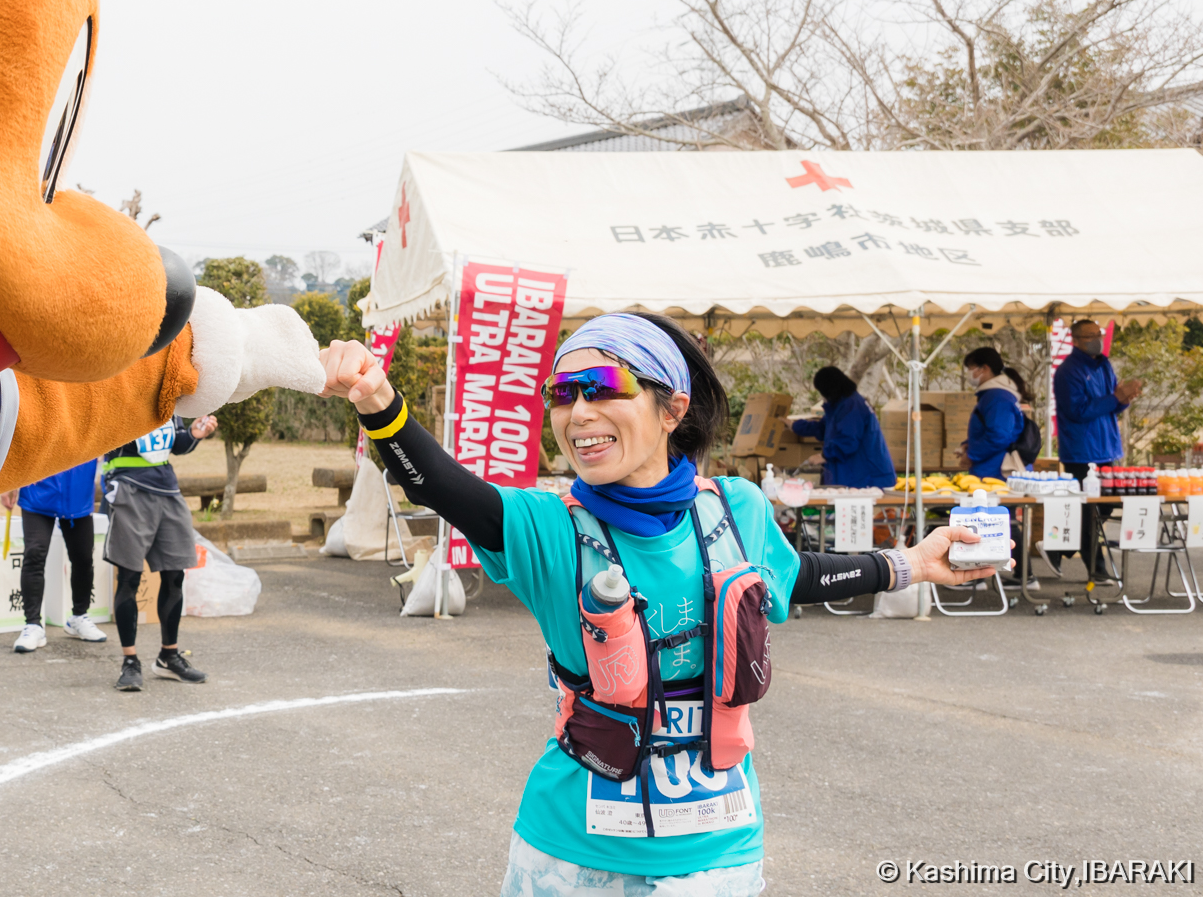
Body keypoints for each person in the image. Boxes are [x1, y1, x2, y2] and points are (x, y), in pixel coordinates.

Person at [319, 312, 998, 896]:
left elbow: (795, 578)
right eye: (562, 394)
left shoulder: (736, 509)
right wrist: (378, 399)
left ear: (671, 409)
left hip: (719, 854)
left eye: (603, 388)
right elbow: (438, 485)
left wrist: (909, 564)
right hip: (572, 855)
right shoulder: (548, 528)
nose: (577, 412)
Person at [102, 412, 218, 691]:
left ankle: (169, 656)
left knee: (174, 576)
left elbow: (175, 444)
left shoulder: (170, 400)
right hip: (128, 487)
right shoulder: (120, 390)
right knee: (129, 577)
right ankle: (130, 661)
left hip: (167, 489)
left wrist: (193, 435)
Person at [1054, 320, 1143, 579]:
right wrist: (1115, 397)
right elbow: (1078, 410)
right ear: (1076, 340)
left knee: (1105, 506)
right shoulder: (1068, 371)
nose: (1097, 339)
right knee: (1089, 509)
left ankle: (1060, 548)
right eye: (1090, 335)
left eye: (1099, 334)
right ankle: (1097, 567)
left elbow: (1111, 405)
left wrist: (1124, 397)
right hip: (1081, 450)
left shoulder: (1103, 364)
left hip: (1106, 447)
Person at [8, 461, 108, 653]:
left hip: (78, 494)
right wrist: (9, 483)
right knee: (34, 554)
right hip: (37, 492)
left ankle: (79, 616)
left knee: (83, 558)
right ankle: (33, 624)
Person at [791, 366, 895, 489]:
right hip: (855, 476)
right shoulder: (841, 406)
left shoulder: (852, 406)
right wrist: (794, 425)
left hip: (867, 478)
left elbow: (848, 440)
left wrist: (824, 456)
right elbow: (823, 428)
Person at [960, 347, 1025, 479]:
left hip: (996, 471)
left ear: (984, 368)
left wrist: (971, 454)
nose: (968, 373)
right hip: (991, 468)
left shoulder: (998, 398)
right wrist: (969, 443)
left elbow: (998, 436)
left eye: (971, 368)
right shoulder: (994, 395)